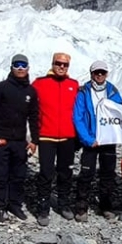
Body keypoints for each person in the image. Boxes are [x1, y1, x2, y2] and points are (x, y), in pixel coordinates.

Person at [0, 52, 38, 220]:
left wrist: (35, 140)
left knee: (18, 176)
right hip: (1, 140)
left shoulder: (31, 91)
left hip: (20, 142)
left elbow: (34, 117)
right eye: (17, 65)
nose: (20, 68)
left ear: (28, 68)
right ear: (11, 67)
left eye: (23, 65)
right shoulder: (0, 88)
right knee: (0, 175)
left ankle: (15, 205)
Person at [32, 51, 80, 224]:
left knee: (66, 172)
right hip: (46, 136)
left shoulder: (73, 85)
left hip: (68, 137)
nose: (61, 66)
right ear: (52, 63)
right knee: (45, 173)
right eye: (58, 63)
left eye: (65, 64)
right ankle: (43, 207)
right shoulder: (39, 83)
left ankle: (63, 203)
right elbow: (31, 109)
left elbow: (80, 109)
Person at [72, 61, 122, 220]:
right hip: (91, 141)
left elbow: (121, 113)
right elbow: (78, 117)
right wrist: (87, 139)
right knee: (86, 173)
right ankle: (81, 207)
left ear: (106, 74)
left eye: (102, 72)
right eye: (96, 73)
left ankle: (105, 205)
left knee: (108, 174)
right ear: (91, 73)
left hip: (108, 140)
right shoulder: (84, 91)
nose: (99, 75)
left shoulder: (113, 91)